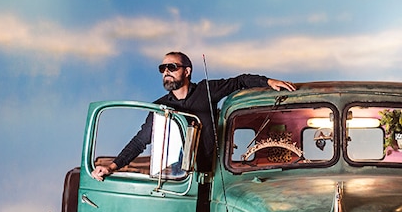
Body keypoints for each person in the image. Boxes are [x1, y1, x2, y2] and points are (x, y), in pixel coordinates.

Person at [93, 51, 295, 187]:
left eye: (172, 67)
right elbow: (140, 141)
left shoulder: (206, 90)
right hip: (182, 184)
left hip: (216, 179)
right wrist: (112, 166)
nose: (166, 73)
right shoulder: (160, 107)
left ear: (187, 71)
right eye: (162, 69)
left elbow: (239, 81)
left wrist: (268, 82)